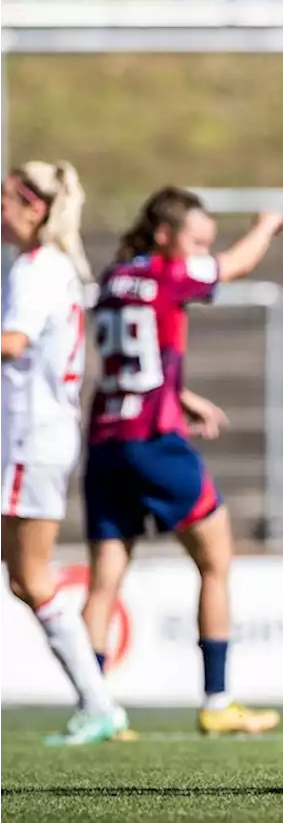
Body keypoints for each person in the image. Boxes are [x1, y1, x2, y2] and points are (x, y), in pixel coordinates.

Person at [81, 186, 283, 735]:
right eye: (196, 242)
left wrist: (183, 395)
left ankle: (94, 708)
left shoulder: (113, 278)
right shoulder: (167, 274)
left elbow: (133, 357)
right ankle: (217, 702)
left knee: (105, 581)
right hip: (154, 441)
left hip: (106, 440)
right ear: (166, 235)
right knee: (216, 560)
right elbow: (237, 264)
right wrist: (267, 225)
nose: (201, 252)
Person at [0, 160, 129, 746]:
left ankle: (98, 703)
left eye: (6, 198)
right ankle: (97, 702)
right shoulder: (46, 267)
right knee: (23, 580)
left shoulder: (37, 269)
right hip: (32, 437)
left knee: (30, 575)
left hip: (32, 439)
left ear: (34, 208)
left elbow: (12, 343)